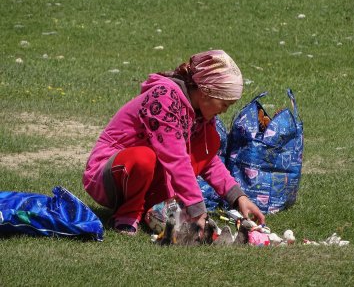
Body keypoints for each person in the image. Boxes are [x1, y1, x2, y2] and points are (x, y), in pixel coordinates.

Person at [83, 49, 265, 236]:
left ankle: (154, 210)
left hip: (148, 177)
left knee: (210, 140)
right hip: (109, 176)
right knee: (145, 157)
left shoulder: (199, 114)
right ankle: (127, 214)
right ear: (205, 92)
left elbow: (206, 160)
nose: (225, 111)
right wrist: (198, 210)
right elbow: (176, 158)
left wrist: (238, 197)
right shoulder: (163, 98)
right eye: (224, 104)